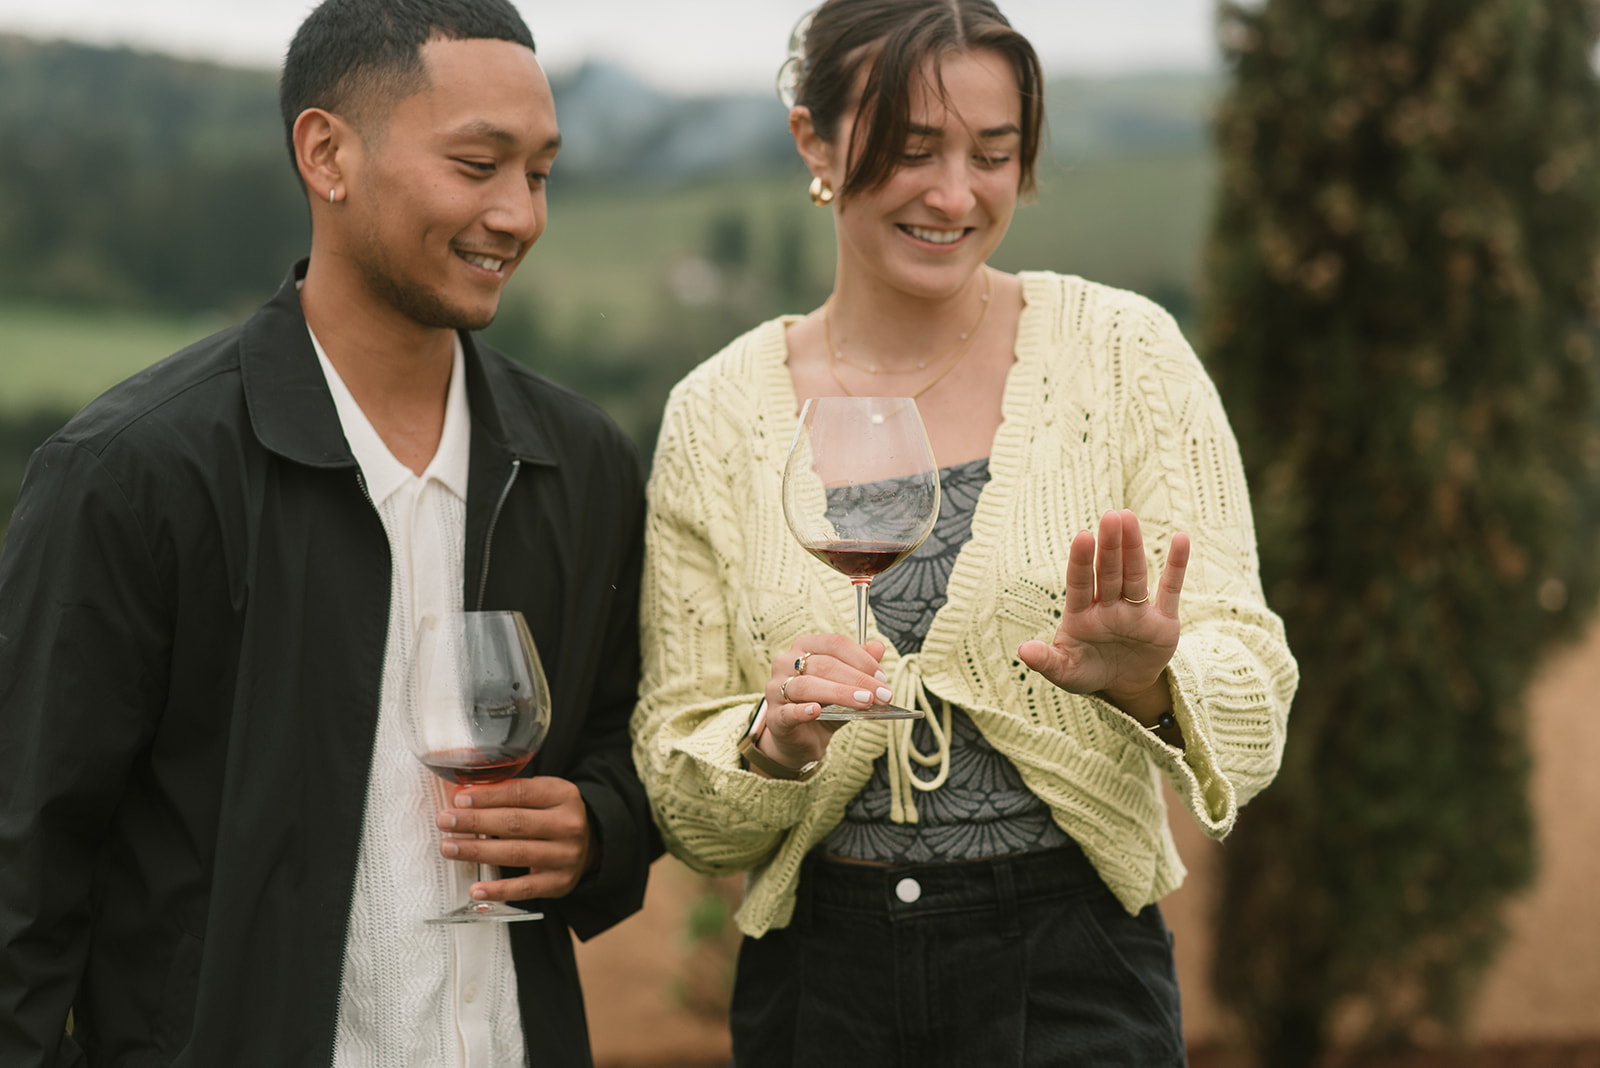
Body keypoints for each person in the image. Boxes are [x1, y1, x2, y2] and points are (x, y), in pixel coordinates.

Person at [631, 1, 1299, 1064]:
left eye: (994, 153)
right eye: (911, 151)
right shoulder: (714, 418)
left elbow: (1255, 704)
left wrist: (1149, 679)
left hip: (1076, 969)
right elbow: (679, 792)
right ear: (813, 139)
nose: (955, 194)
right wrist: (771, 744)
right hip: (820, 988)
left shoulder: (1126, 357)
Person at [0, 0, 656, 1063]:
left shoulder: (579, 461)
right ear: (327, 155)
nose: (520, 215)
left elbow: (628, 739)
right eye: (476, 164)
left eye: (537, 173)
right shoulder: (130, 472)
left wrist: (597, 822)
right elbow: (23, 868)